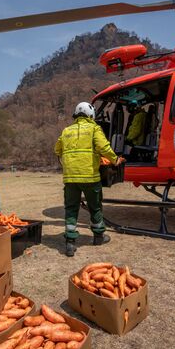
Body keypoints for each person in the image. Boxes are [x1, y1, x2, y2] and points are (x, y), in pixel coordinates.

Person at [54, 102, 125, 257]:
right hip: (90, 177)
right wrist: (115, 160)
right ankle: (98, 236)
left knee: (71, 208)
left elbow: (57, 149)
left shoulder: (66, 131)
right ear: (91, 115)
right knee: (95, 207)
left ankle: (70, 243)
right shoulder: (94, 128)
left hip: (70, 179)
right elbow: (104, 147)